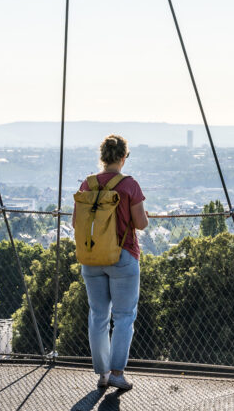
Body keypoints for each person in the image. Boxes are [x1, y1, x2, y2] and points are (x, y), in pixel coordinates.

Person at [72, 134, 148, 391]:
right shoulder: (129, 185)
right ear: (123, 157)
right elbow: (141, 223)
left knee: (98, 315)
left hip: (91, 259)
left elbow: (75, 223)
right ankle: (117, 372)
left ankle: (102, 374)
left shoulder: (87, 183)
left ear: (102, 156)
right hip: (122, 257)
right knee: (124, 316)